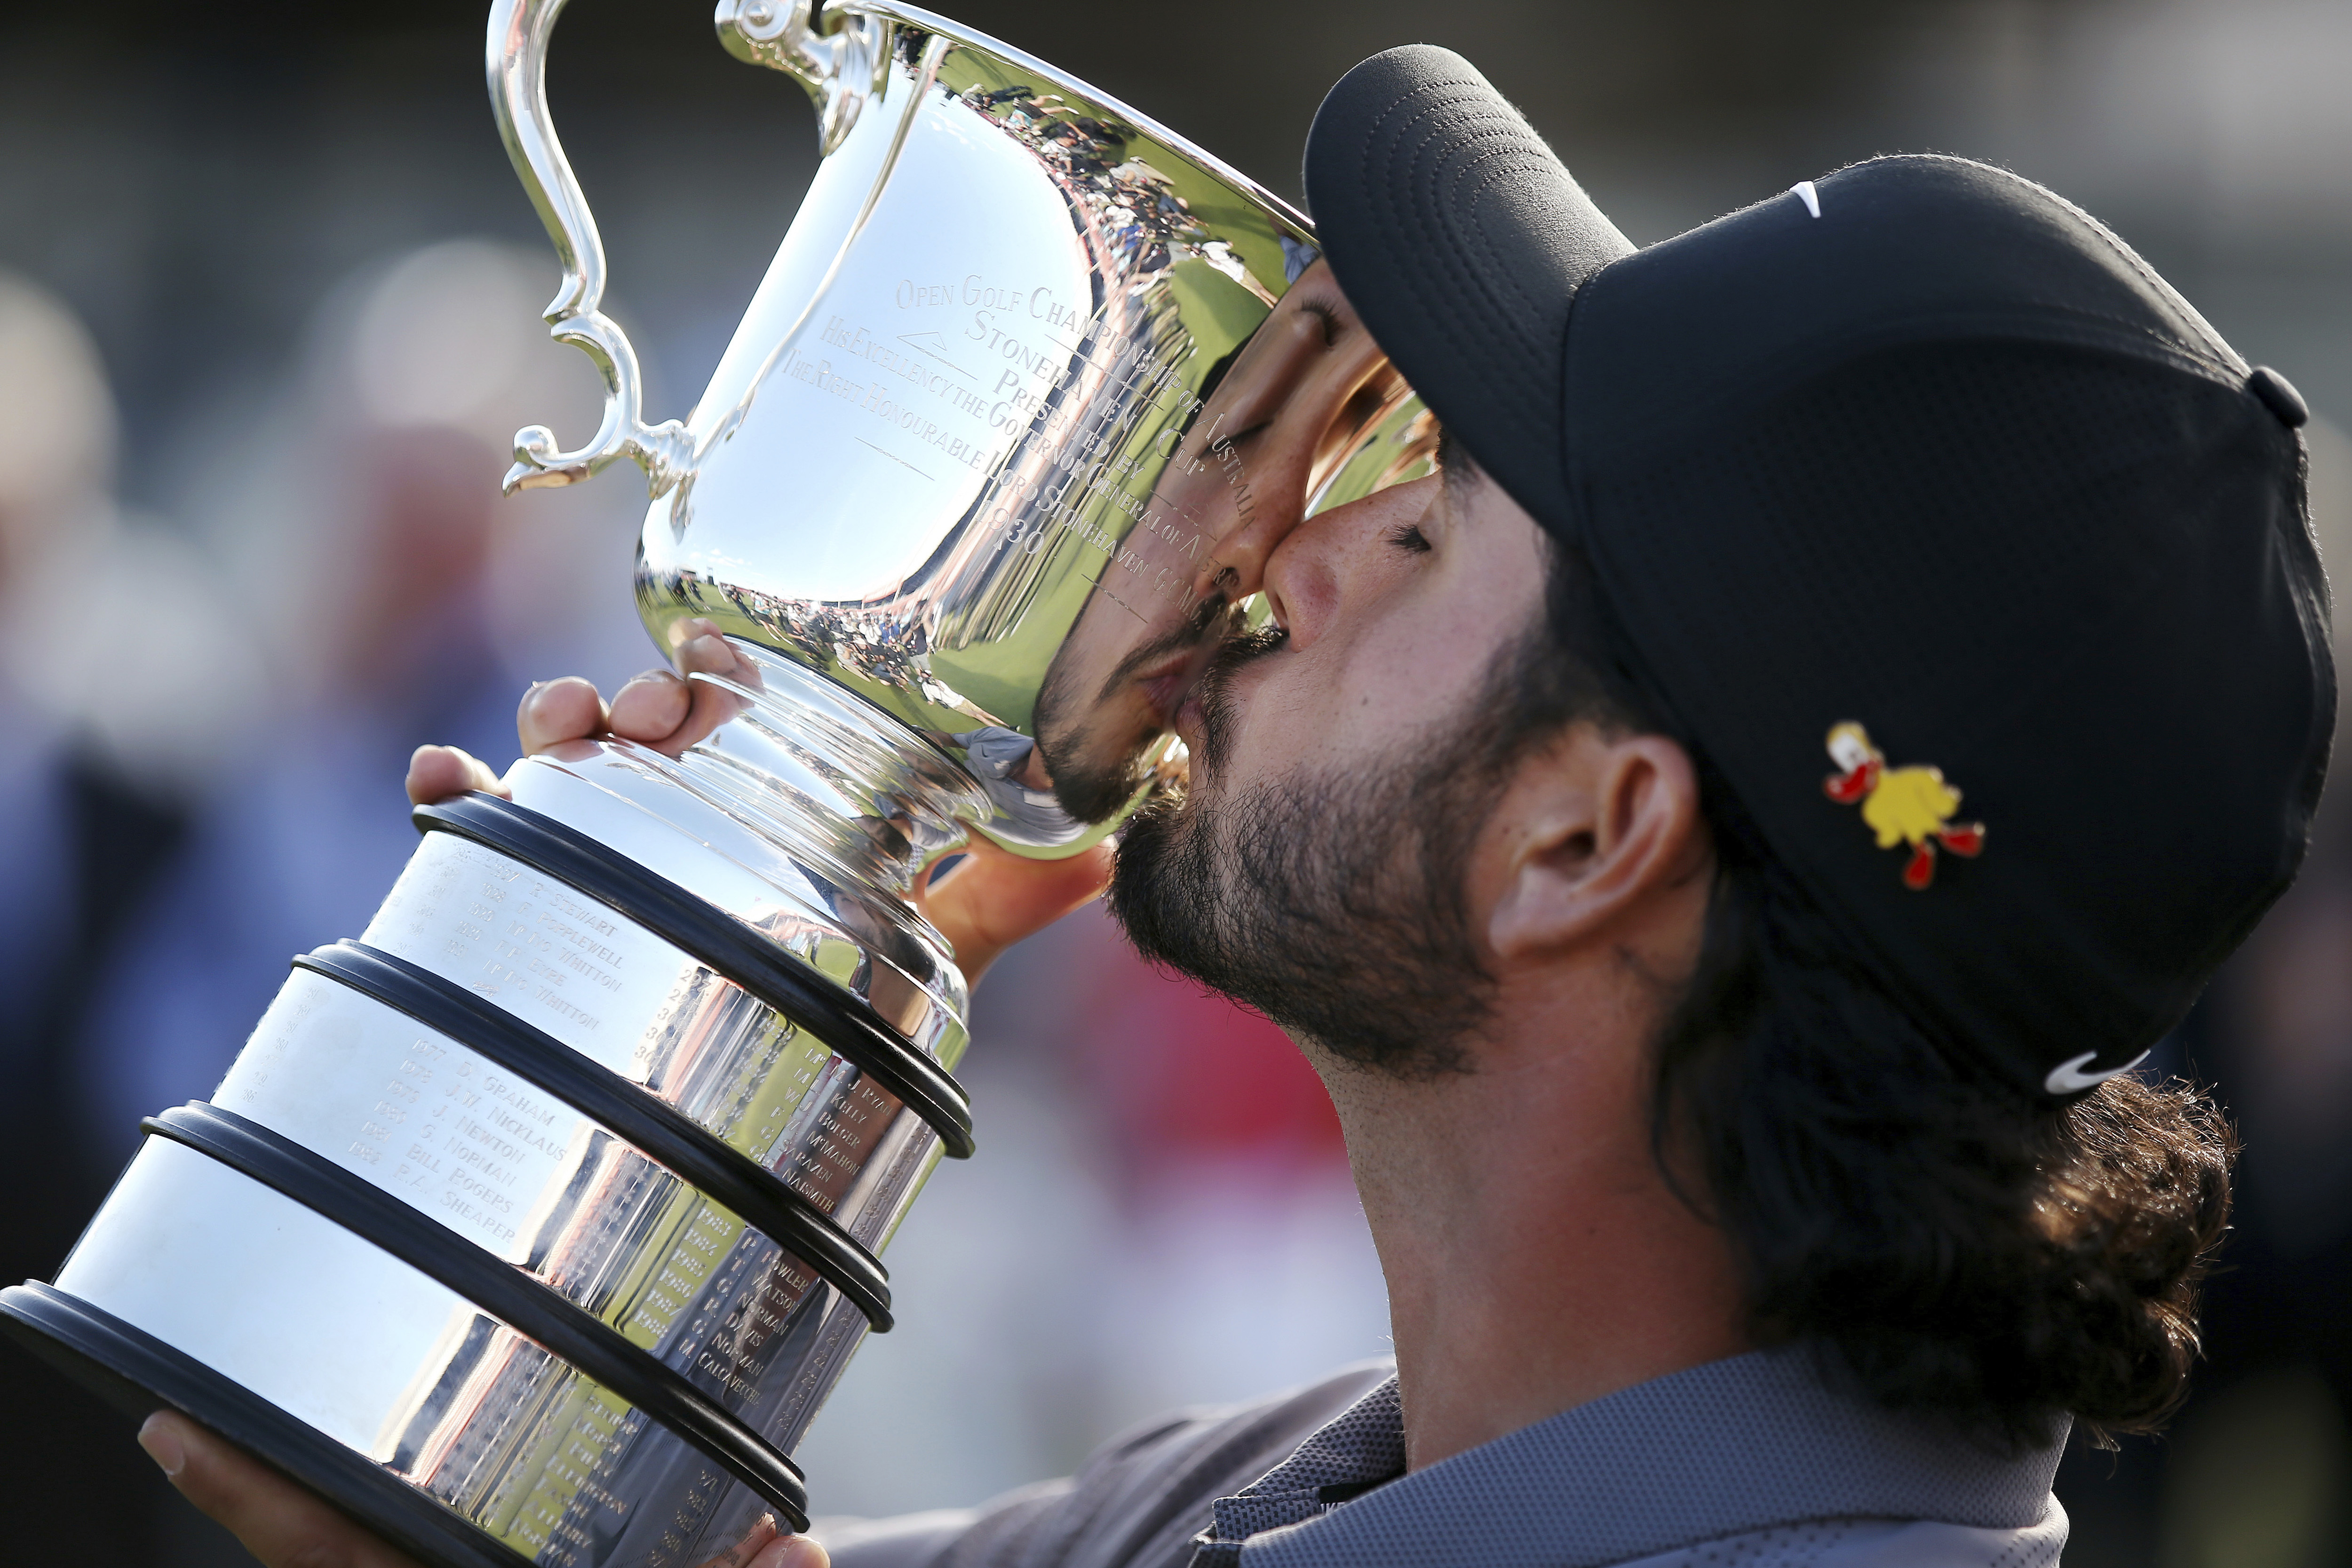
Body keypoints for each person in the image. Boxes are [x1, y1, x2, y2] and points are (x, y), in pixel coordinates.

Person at [131, 43, 2332, 1568]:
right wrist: (763, 929)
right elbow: (320, 1441)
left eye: (1424, 524)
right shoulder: (1340, 1482)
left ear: (1586, 835)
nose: (1278, 547)